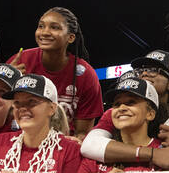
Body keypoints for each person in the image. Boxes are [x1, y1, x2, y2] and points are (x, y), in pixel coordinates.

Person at [81, 49, 169, 171]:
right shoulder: (120, 112)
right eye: (142, 70)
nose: (145, 73)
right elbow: (89, 146)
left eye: (155, 70)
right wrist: (153, 153)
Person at [8, 7, 102, 137]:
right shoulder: (20, 61)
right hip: (18, 142)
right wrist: (7, 82)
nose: (45, 32)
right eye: (41, 26)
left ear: (71, 37)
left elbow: (82, 133)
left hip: (62, 147)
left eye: (54, 27)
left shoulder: (86, 75)